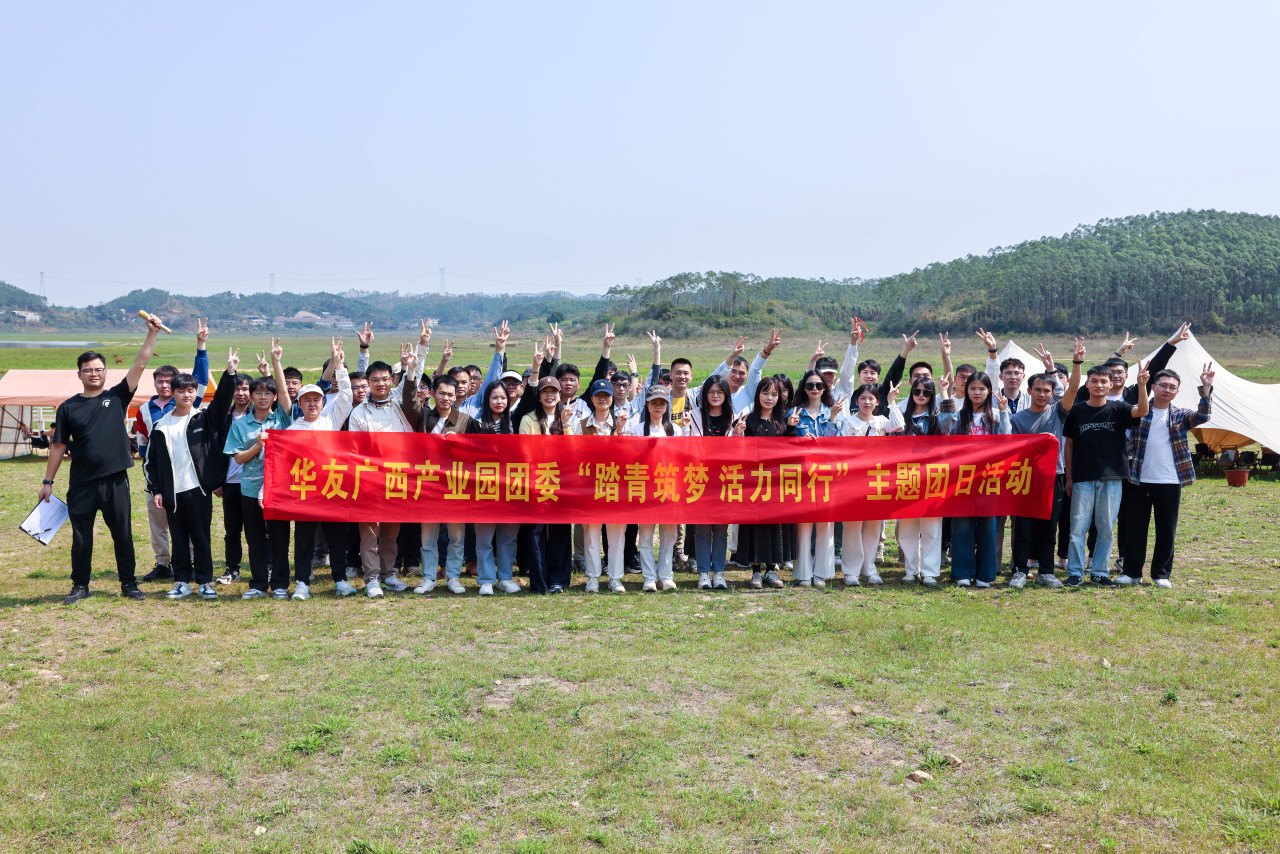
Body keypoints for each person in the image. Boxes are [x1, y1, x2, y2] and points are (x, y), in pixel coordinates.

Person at [41, 314, 166, 604]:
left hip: (115, 480)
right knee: (81, 537)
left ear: (106, 372)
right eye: (88, 370)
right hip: (81, 482)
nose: (94, 374)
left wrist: (151, 334)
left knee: (122, 534)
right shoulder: (68, 408)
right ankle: (80, 585)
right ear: (79, 374)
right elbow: (58, 446)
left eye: (98, 369)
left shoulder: (118, 397)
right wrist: (48, 481)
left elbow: (140, 365)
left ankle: (129, 584)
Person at [144, 341, 237, 601]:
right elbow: (151, 462)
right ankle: (182, 581)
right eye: (181, 390)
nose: (186, 395)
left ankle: (205, 581)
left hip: (198, 490)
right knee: (179, 538)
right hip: (172, 493)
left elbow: (221, 401)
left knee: (201, 537)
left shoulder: (203, 418)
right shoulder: (161, 426)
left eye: (191, 390)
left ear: (196, 393)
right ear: (172, 393)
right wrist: (156, 490)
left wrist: (230, 373)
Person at [1119, 364, 1214, 588]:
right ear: (1153, 387)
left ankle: (1161, 575)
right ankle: (1131, 573)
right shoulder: (1139, 412)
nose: (1167, 390)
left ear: (1177, 392)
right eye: (1163, 385)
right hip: (1138, 479)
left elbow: (1203, 416)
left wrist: (1206, 389)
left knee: (1166, 530)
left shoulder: (1181, 415)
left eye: (1172, 387)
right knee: (1135, 529)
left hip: (1170, 480)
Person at [135, 320, 211, 582]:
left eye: (170, 382)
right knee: (158, 522)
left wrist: (201, 346)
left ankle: (190, 562)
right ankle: (162, 563)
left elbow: (201, 378)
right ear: (155, 383)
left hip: (187, 477)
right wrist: (153, 477)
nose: (165, 386)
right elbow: (143, 444)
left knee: (186, 524)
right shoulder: (144, 410)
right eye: (160, 382)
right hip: (158, 476)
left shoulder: (189, 401)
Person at [1063, 362, 1150, 587]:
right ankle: (1075, 572)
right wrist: (1069, 478)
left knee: (1106, 529)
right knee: (1078, 528)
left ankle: (1100, 572)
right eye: (1094, 381)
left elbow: (1142, 411)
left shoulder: (1119, 409)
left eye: (1104, 381)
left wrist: (1142, 386)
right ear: (1087, 384)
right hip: (1082, 477)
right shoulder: (1077, 411)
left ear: (1111, 384)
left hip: (1112, 477)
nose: (1099, 385)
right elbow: (1068, 446)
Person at [1008, 339, 1085, 589]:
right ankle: (1020, 570)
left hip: (1055, 476)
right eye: (1038, 389)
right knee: (1023, 526)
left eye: (1047, 390)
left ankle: (1046, 571)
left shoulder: (1058, 412)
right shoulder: (1017, 419)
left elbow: (1073, 389)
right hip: (1026, 477)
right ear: (1029, 391)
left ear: (1052, 394)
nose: (1042, 394)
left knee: (1049, 526)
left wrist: (1076, 363)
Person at [223, 339, 293, 599]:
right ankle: (258, 584)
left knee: (280, 538)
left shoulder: (282, 417)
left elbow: (284, 391)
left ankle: (281, 584)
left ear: (274, 397)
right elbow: (239, 459)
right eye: (258, 393)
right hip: (250, 488)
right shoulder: (241, 425)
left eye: (267, 393)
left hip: (279, 488)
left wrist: (276, 362)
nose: (263, 397)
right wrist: (257, 445)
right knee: (254, 538)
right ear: (251, 396)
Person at [286, 338, 354, 598]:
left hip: (331, 487)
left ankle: (340, 580)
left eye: (317, 399)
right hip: (305, 491)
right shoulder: (291, 430)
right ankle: (302, 582)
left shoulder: (331, 421)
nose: (312, 404)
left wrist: (339, 366)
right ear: (299, 404)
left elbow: (346, 397)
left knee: (337, 537)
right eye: (307, 400)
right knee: (304, 539)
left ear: (323, 403)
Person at [347, 349, 417, 598]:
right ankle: (372, 578)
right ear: (368, 382)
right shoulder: (358, 413)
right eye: (375, 379)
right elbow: (354, 450)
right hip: (370, 479)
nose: (380, 383)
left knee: (391, 531)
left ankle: (389, 575)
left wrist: (420, 350)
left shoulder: (399, 405)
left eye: (385, 379)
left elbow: (412, 380)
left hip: (397, 478)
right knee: (370, 532)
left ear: (391, 380)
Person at [402, 366, 473, 595]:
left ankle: (453, 577)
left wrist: (460, 443)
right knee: (428, 536)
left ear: (456, 395)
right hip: (429, 484)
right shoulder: (424, 417)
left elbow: (477, 452)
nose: (446, 398)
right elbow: (409, 402)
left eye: (451, 394)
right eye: (442, 393)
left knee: (456, 536)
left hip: (454, 486)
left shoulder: (465, 420)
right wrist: (411, 373)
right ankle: (429, 577)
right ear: (433, 394)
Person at [836, 381, 906, 585]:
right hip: (854, 480)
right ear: (856, 401)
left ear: (877, 402)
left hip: (877, 480)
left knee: (873, 526)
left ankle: (869, 568)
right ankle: (851, 571)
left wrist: (892, 402)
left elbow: (899, 425)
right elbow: (841, 448)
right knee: (852, 526)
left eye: (871, 399)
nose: (867, 402)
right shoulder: (848, 422)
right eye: (863, 398)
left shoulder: (881, 421)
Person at [949, 373, 1011, 587]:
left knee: (988, 525)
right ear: (966, 391)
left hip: (990, 479)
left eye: (982, 389)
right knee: (962, 526)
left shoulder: (997, 414)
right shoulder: (960, 416)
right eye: (973, 388)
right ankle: (962, 572)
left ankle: (985, 574)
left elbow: (1007, 439)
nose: (977, 392)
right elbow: (948, 441)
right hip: (963, 479)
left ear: (989, 391)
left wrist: (1004, 412)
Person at [736, 377, 797, 589]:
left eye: (774, 394)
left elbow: (791, 451)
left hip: (776, 484)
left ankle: (771, 570)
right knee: (754, 526)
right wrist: (738, 433)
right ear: (758, 395)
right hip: (753, 484)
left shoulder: (783, 422)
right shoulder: (748, 420)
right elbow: (738, 451)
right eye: (765, 393)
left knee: (776, 527)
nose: (769, 398)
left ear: (779, 397)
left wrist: (792, 430)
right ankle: (755, 572)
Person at [520, 375, 579, 593]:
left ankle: (558, 580)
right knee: (536, 531)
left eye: (553, 391)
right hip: (537, 481)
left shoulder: (567, 417)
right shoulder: (528, 419)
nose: (549, 395)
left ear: (559, 394)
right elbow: (525, 453)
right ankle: (540, 581)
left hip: (561, 482)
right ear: (539, 395)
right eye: (545, 391)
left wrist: (566, 424)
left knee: (560, 530)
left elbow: (573, 451)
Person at [898, 374, 956, 586]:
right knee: (907, 528)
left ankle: (930, 572)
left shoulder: (937, 418)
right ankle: (911, 570)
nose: (921, 395)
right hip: (905, 477)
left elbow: (949, 424)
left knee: (932, 527)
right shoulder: (902, 417)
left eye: (926, 392)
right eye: (917, 391)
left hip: (932, 477)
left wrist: (944, 393)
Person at [466, 382, 523, 595]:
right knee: (484, 538)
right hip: (485, 488)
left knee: (508, 537)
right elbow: (469, 454)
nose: (499, 401)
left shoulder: (514, 423)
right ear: (487, 400)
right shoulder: (477, 424)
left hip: (511, 487)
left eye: (503, 398)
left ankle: (505, 578)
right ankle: (486, 579)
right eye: (494, 397)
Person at [626, 385, 683, 592]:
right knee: (645, 536)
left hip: (669, 487)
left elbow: (681, 459)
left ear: (667, 406)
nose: (658, 407)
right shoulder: (638, 429)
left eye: (662, 403)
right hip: (646, 488)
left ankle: (666, 576)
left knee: (670, 535)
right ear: (647, 405)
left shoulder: (675, 430)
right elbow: (633, 458)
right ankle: (649, 577)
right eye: (654, 403)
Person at [790, 369, 841, 587]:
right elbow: (785, 445)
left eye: (819, 385)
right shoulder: (794, 413)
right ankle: (803, 572)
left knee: (825, 525)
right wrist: (794, 433)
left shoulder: (832, 411)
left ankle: (821, 572)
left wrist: (833, 419)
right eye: (810, 385)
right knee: (803, 525)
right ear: (804, 388)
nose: (814, 389)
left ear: (824, 388)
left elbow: (837, 444)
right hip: (802, 477)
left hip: (827, 476)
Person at [688, 374, 739, 590]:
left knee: (720, 528)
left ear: (726, 395)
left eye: (720, 392)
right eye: (711, 392)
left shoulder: (734, 418)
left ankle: (718, 572)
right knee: (702, 528)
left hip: (724, 480)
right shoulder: (694, 416)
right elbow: (687, 446)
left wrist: (738, 435)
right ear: (705, 394)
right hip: (700, 479)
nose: (716, 396)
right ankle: (703, 573)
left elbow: (738, 451)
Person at [578, 378, 629, 593]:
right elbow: (574, 453)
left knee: (616, 534)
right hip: (590, 487)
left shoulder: (622, 423)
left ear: (612, 399)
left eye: (606, 396)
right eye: (598, 396)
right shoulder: (582, 425)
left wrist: (621, 431)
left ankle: (615, 577)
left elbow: (629, 455)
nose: (602, 399)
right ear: (591, 399)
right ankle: (593, 577)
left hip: (615, 486)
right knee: (591, 533)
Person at [214, 371, 253, 584]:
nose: (240, 393)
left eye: (245, 388)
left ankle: (264, 567)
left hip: (255, 482)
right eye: (236, 388)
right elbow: (215, 450)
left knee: (258, 530)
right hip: (230, 482)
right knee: (232, 530)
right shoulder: (223, 417)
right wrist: (217, 480)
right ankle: (232, 570)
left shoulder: (259, 415)